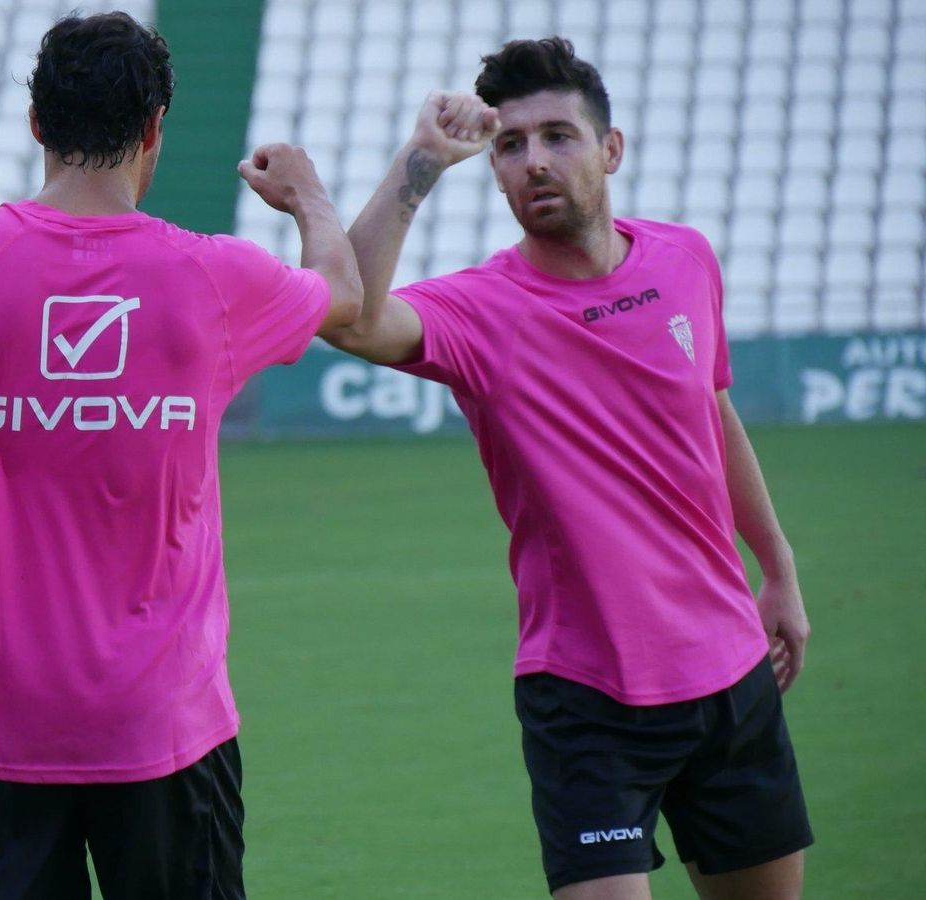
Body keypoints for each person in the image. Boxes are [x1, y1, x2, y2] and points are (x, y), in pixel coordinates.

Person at [0, 10, 442, 898]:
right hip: (166, 732)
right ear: (156, 128)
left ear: (37, 124)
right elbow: (347, 296)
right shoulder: (214, 275)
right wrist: (308, 196)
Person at [323, 37, 813, 899]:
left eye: (558, 136)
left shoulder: (686, 259)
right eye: (510, 146)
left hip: (733, 678)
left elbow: (716, 412)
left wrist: (777, 567)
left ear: (610, 149)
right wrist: (424, 159)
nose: (532, 161)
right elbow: (350, 318)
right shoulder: (481, 310)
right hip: (586, 699)